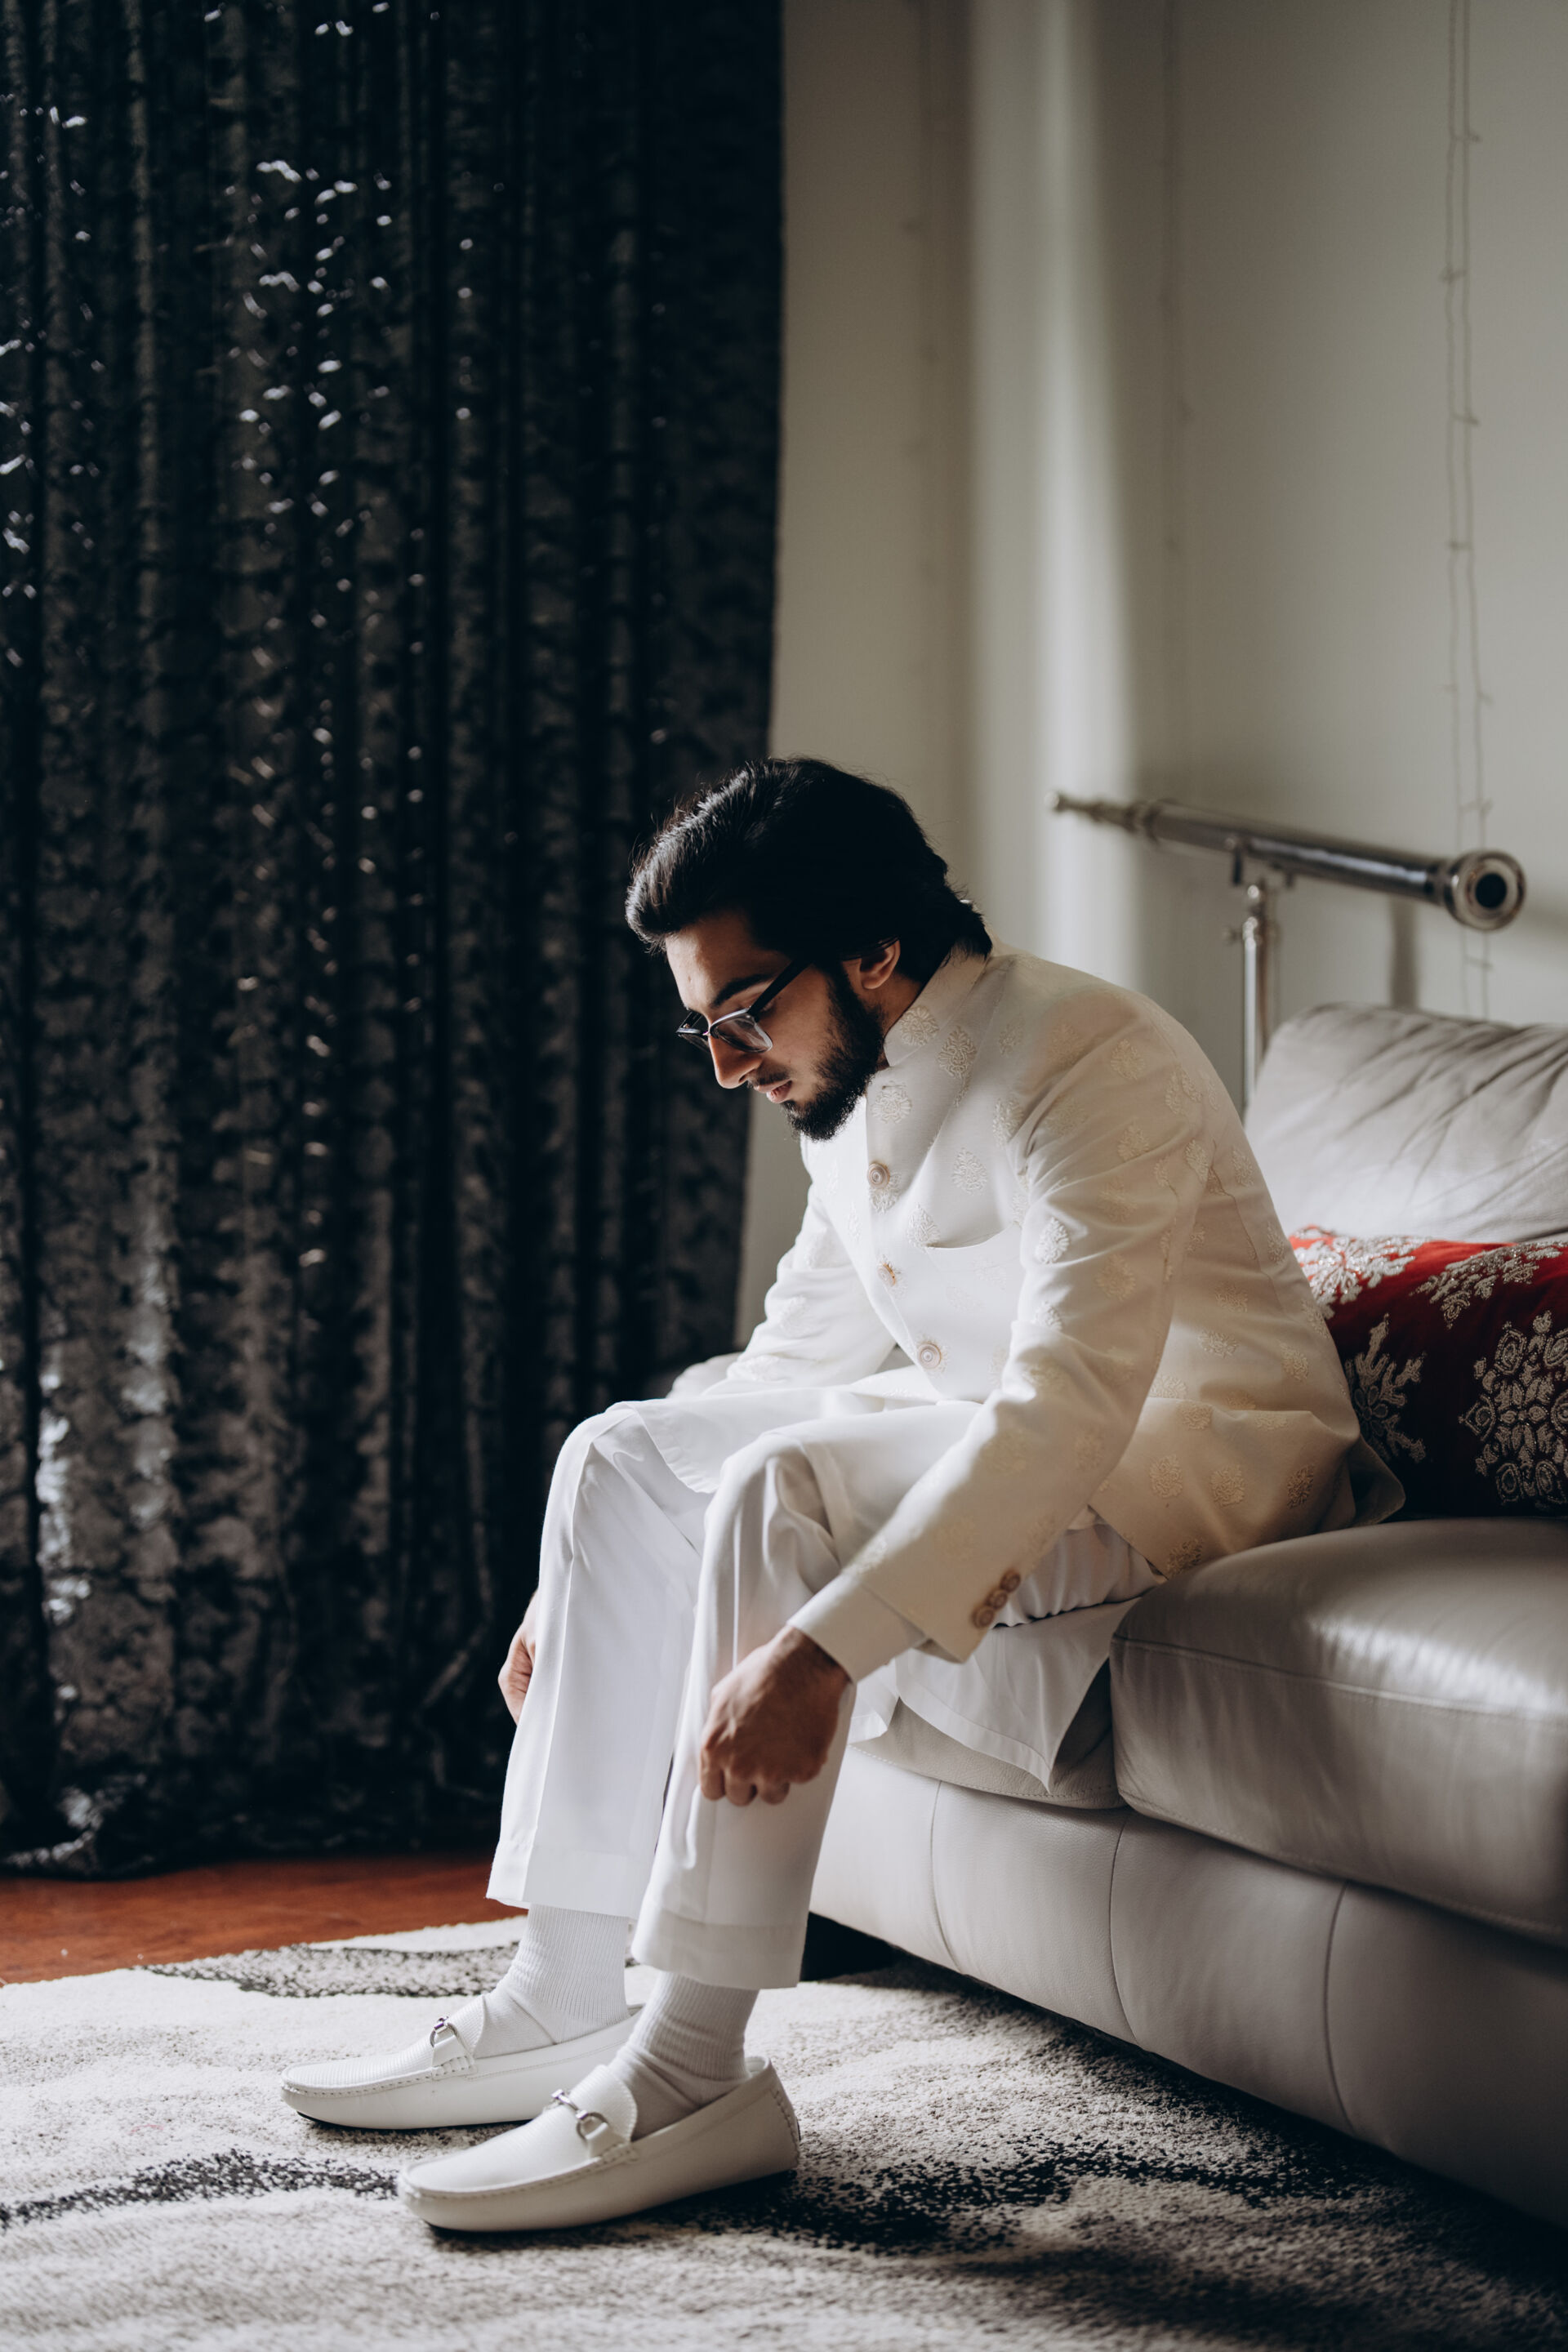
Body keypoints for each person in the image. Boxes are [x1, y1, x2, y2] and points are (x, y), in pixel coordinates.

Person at [281, 758, 1398, 2232]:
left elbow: (1070, 1402)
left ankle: (694, 2070)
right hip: (994, 1426)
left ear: (873, 949)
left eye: (744, 1015)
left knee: (779, 1486)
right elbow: (791, 1356)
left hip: (1193, 1464)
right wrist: (578, 1582)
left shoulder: (1093, 1056)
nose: (725, 1066)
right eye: (705, 1027)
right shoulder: (850, 1083)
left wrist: (821, 1656)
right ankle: (561, 1995)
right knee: (620, 1451)